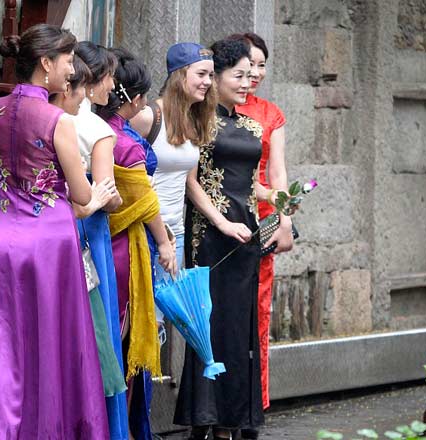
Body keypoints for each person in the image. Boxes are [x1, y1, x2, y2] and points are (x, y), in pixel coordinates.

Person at [0, 24, 109, 438]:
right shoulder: (56, 119)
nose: (71, 70)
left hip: (4, 239)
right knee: (52, 342)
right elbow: (82, 193)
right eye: (67, 61)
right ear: (46, 63)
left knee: (3, 343)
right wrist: (88, 187)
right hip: (49, 242)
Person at [174, 39, 272, 440]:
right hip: (210, 237)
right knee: (208, 323)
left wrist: (277, 198)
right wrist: (221, 223)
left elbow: (248, 184)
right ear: (216, 78)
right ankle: (203, 419)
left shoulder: (251, 126)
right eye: (239, 75)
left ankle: (231, 419)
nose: (248, 83)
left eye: (251, 75)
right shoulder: (198, 121)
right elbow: (189, 182)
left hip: (246, 236)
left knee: (237, 328)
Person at [97, 47, 177, 439]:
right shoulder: (124, 142)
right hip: (125, 247)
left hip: (98, 240)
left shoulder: (88, 128)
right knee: (122, 343)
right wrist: (164, 243)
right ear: (135, 97)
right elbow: (145, 201)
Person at [50, 55, 129, 440]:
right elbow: (105, 195)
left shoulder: (49, 118)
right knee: (98, 330)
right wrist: (125, 198)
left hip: (51, 223)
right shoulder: (97, 128)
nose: (112, 86)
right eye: (109, 77)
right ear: (89, 82)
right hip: (88, 229)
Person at [228, 32, 292, 426]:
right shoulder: (216, 108)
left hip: (261, 221)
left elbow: (278, 173)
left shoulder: (270, 113)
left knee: (259, 311)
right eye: (248, 64)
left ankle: (256, 405)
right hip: (224, 215)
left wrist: (285, 218)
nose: (255, 72)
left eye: (261, 65)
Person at [130, 42, 217, 288]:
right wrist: (161, 239)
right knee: (149, 308)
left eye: (211, 75)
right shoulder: (148, 116)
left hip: (175, 233)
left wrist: (222, 222)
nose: (208, 82)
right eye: (201, 74)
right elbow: (128, 175)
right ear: (179, 76)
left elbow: (190, 182)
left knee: (168, 306)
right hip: (145, 230)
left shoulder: (194, 120)